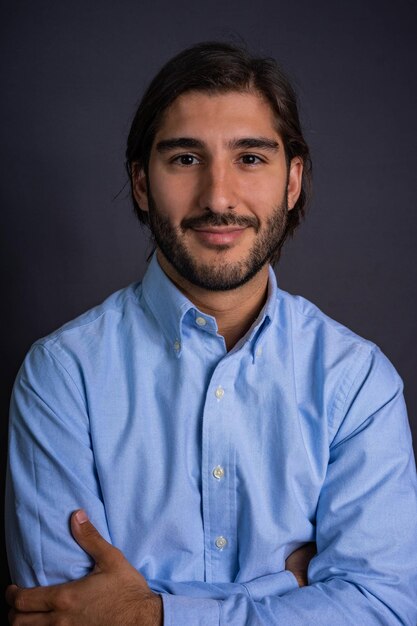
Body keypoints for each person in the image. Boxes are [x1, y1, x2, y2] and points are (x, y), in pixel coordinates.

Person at [5, 41, 417, 626]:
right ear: (142, 184)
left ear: (292, 181)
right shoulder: (61, 376)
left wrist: (151, 614)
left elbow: (382, 609)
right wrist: (290, 586)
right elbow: (67, 614)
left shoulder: (358, 383)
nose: (218, 197)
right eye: (184, 159)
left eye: (250, 158)